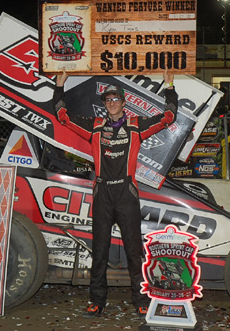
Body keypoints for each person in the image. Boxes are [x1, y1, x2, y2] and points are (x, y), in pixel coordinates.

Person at [53, 69, 178, 318]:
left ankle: (141, 300)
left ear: (123, 103)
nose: (112, 103)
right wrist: (59, 86)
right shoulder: (95, 126)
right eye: (108, 100)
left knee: (134, 250)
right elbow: (62, 117)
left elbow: (168, 117)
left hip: (126, 192)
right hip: (102, 193)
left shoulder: (136, 126)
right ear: (105, 104)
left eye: (116, 100)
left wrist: (170, 86)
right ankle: (97, 301)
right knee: (99, 250)